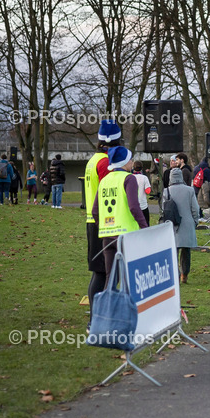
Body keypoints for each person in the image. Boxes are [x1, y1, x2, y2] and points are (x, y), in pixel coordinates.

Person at [93, 146, 148, 283]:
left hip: (107, 235)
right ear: (124, 162)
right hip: (126, 236)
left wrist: (103, 226)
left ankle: (107, 304)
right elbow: (134, 207)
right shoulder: (129, 179)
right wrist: (145, 228)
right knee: (130, 278)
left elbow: (95, 211)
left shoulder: (105, 180)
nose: (132, 163)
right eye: (130, 160)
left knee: (110, 279)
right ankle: (129, 305)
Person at [85, 120, 122, 304]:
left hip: (93, 221)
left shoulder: (93, 159)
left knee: (99, 273)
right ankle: (96, 320)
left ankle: (95, 318)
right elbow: (109, 190)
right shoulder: (106, 162)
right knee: (103, 274)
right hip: (103, 222)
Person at [163, 168, 199, 283]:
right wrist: (195, 220)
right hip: (187, 223)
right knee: (186, 251)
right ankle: (185, 274)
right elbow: (195, 208)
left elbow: (163, 209)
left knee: (174, 250)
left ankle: (176, 274)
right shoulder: (189, 190)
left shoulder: (166, 191)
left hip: (172, 224)